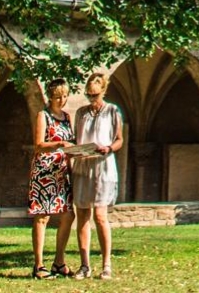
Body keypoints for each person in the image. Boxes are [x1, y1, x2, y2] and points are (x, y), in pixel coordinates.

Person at [72, 72, 125, 280]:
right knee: (82, 215)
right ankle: (85, 265)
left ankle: (106, 264)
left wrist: (109, 148)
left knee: (100, 216)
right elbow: (77, 138)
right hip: (83, 165)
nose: (91, 99)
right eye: (88, 95)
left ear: (103, 91)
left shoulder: (112, 111)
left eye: (95, 95)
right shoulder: (81, 113)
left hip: (103, 166)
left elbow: (119, 139)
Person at [28, 81, 76, 280]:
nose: (62, 100)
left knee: (68, 215)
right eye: (58, 97)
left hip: (62, 170)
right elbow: (39, 145)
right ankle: (39, 265)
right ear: (50, 97)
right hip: (44, 171)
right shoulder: (43, 115)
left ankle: (59, 261)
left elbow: (71, 142)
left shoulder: (67, 117)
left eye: (65, 96)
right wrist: (59, 143)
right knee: (42, 216)